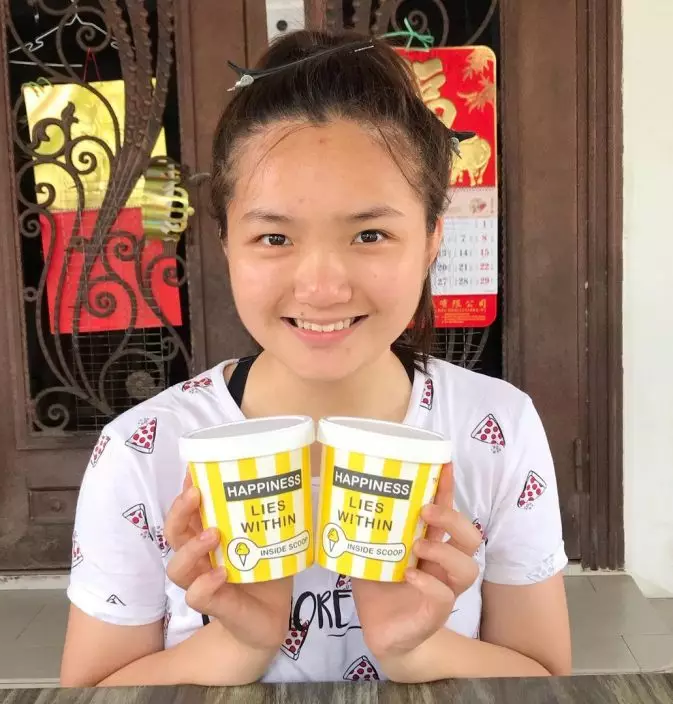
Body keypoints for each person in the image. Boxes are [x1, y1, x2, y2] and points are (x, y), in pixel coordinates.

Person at [60, 29, 571, 687]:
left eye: (370, 233)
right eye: (274, 237)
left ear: (430, 240)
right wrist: (237, 645)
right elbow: (89, 692)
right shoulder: (143, 452)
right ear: (226, 242)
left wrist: (415, 651)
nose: (322, 287)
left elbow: (548, 679)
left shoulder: (495, 428)